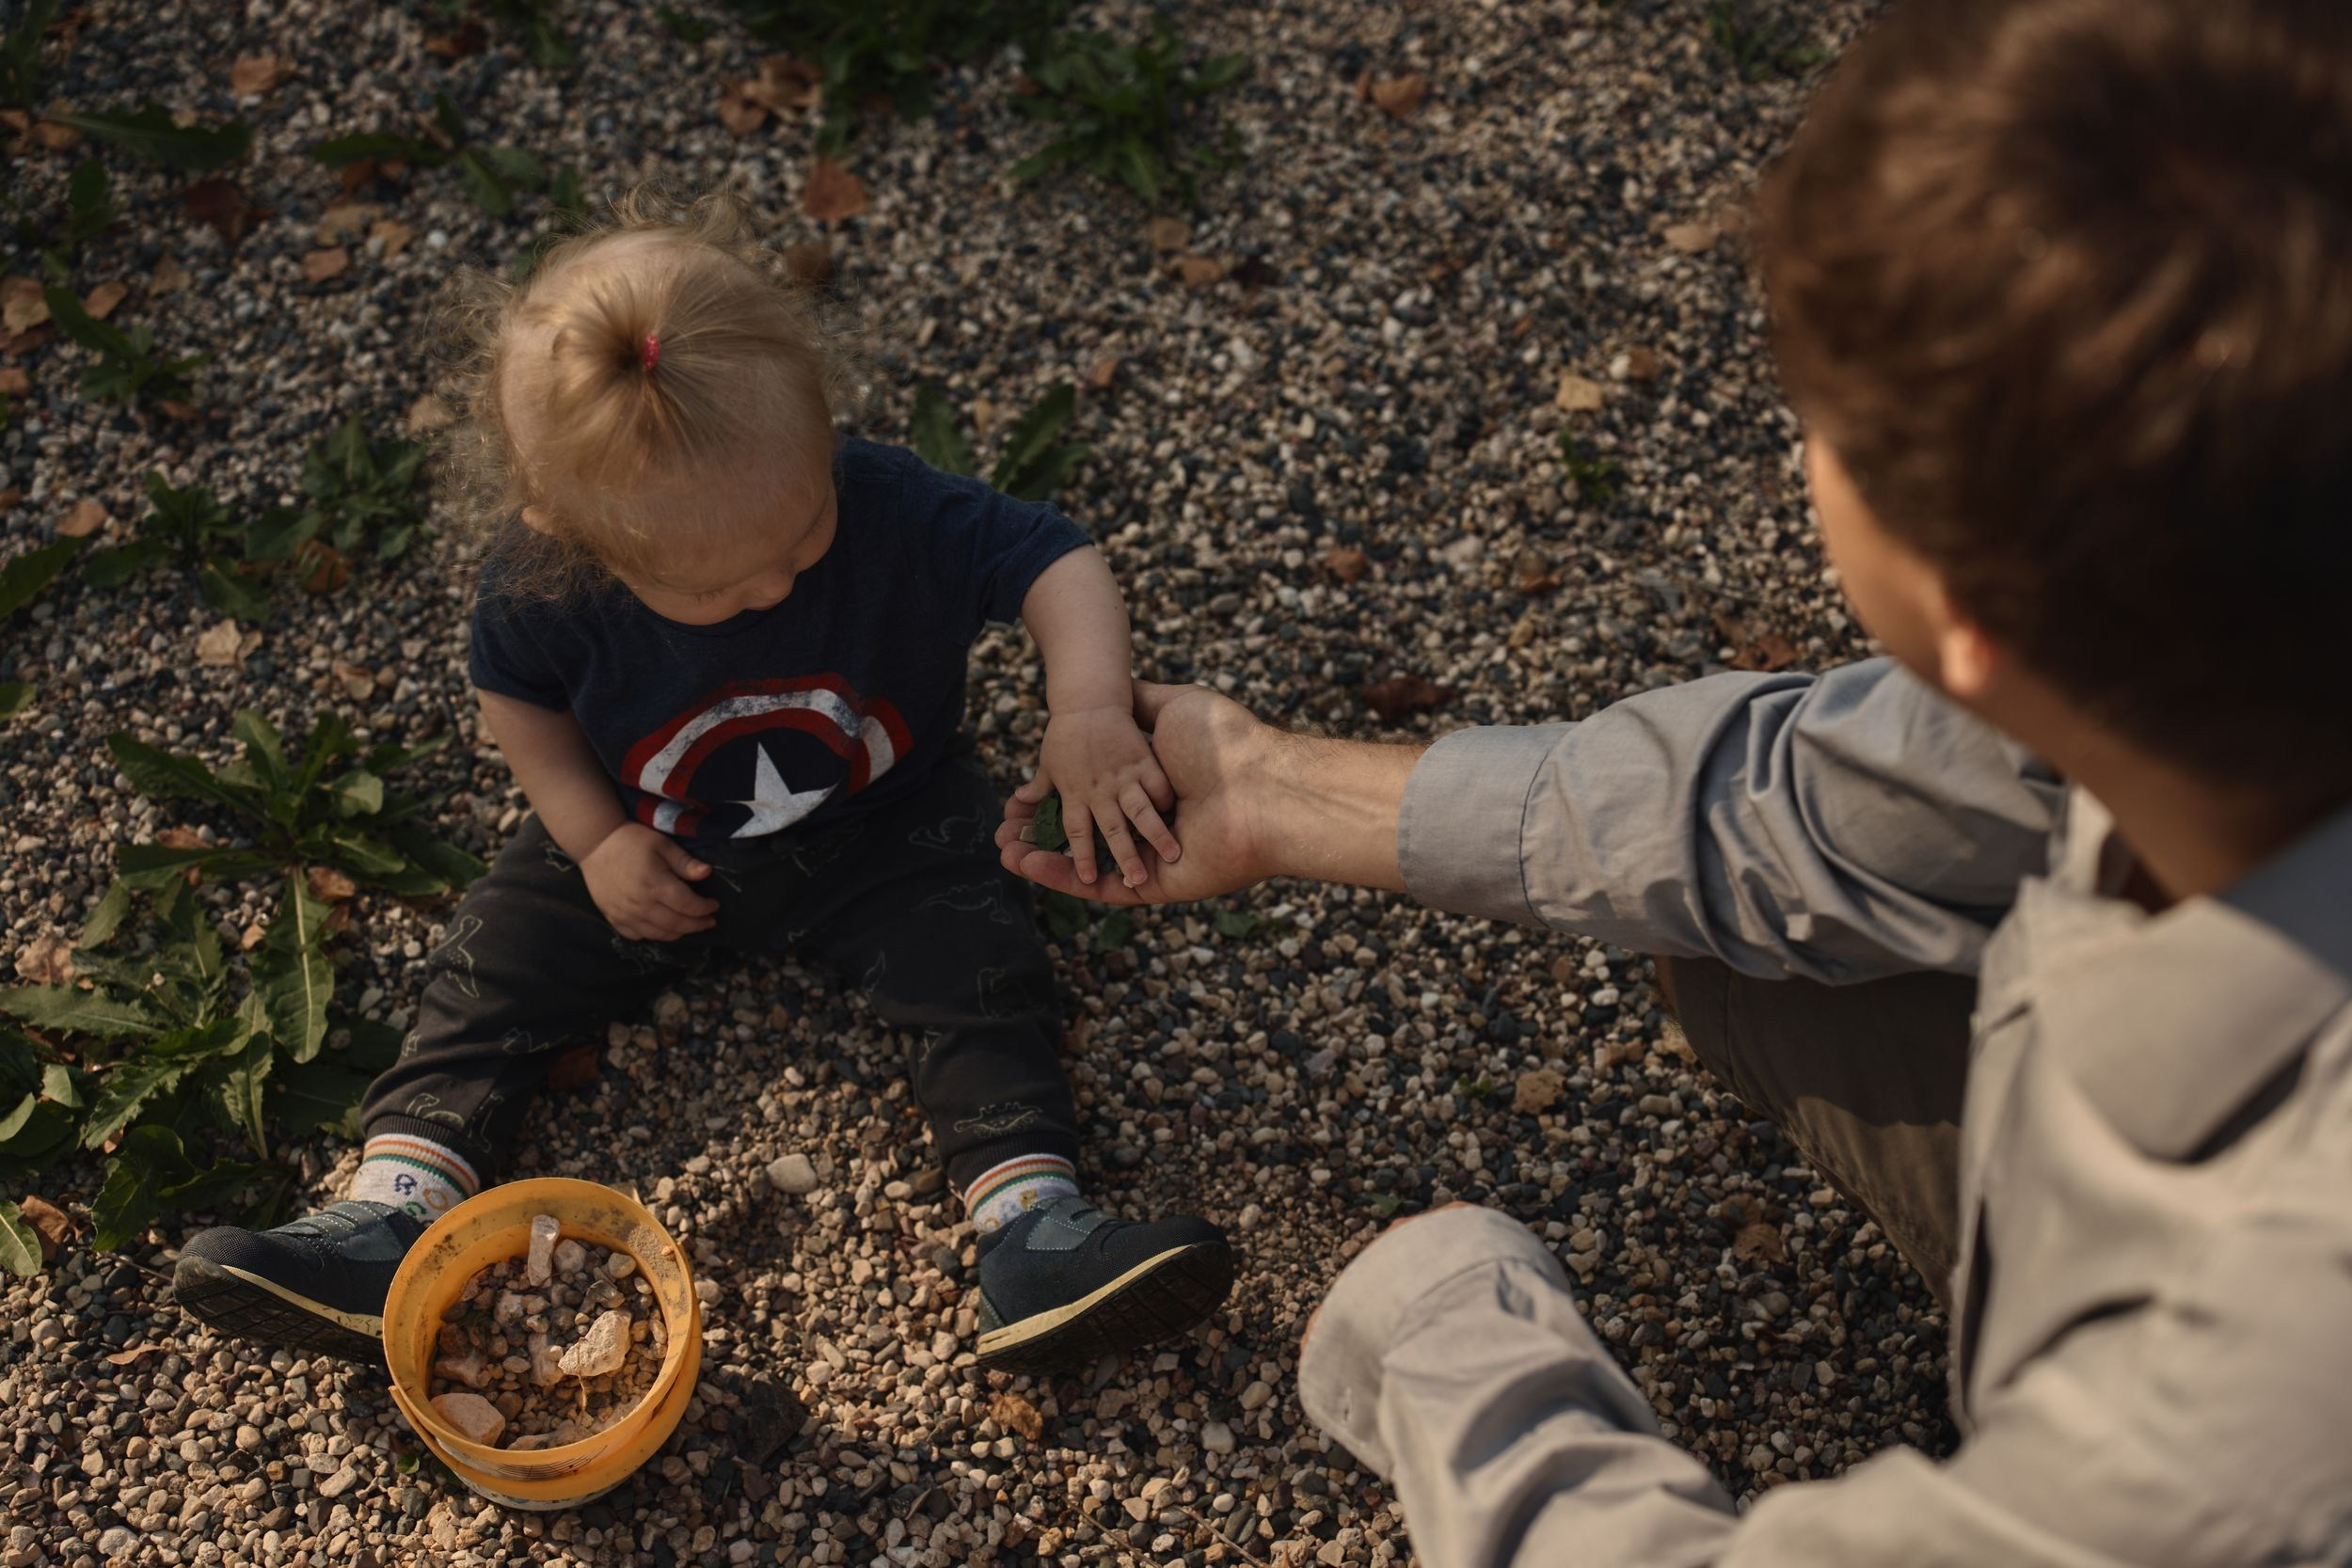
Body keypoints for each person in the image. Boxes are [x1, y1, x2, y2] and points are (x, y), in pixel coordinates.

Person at [998, 0, 2352, 1559]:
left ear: (1963, 616)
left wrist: (1448, 1339)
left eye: (1823, 429)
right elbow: (1795, 802)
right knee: (1755, 953)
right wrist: (1279, 788)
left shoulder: (2254, 1415)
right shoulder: (2236, 603)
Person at [172, 190, 1231, 1380]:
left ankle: (1033, 1231)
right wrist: (590, 839)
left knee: (979, 969)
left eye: (803, 536)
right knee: (490, 959)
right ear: (577, 537)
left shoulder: (885, 500)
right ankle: (391, 1214)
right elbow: (514, 699)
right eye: (723, 591)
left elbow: (1056, 559)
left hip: (892, 815)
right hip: (649, 835)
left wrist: (1086, 708)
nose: (777, 587)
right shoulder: (540, 579)